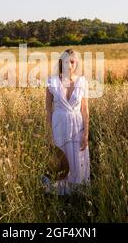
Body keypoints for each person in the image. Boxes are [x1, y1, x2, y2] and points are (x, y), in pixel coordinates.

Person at [44, 49, 90, 195]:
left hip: (77, 126)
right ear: (61, 63)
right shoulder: (52, 82)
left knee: (77, 157)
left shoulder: (82, 82)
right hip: (59, 126)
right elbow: (48, 110)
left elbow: (85, 110)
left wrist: (86, 134)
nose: (69, 65)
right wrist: (48, 133)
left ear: (76, 63)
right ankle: (59, 194)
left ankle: (77, 194)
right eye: (66, 62)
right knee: (60, 159)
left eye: (72, 61)